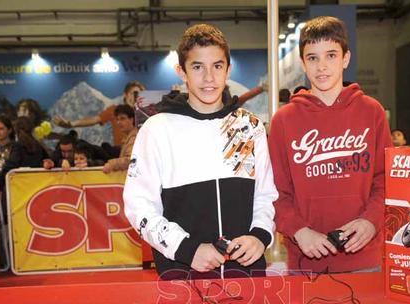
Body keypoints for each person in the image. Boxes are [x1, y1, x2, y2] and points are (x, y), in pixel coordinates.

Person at [123, 23, 278, 280]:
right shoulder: (157, 129)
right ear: (181, 72)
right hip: (182, 275)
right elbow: (139, 206)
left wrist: (259, 236)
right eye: (197, 67)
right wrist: (187, 249)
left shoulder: (249, 127)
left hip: (247, 276)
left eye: (217, 66)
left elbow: (265, 195)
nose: (209, 78)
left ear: (228, 70)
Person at [268, 16, 391, 274]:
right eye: (313, 58)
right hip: (305, 261)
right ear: (303, 63)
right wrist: (299, 231)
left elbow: (385, 181)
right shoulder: (284, 120)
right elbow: (276, 191)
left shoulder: (372, 112)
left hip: (364, 258)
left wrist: (371, 221)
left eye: (331, 56)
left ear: (346, 58)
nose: (322, 66)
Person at [53, 81, 146, 147]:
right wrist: (71, 124)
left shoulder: (146, 113)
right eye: (133, 93)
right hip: (121, 150)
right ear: (125, 94)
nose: (135, 97)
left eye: (138, 94)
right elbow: (94, 119)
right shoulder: (115, 110)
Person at [102, 105, 138, 173]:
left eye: (122, 118)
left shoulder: (134, 137)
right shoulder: (128, 137)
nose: (118, 122)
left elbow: (131, 160)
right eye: (117, 119)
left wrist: (112, 164)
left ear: (131, 119)